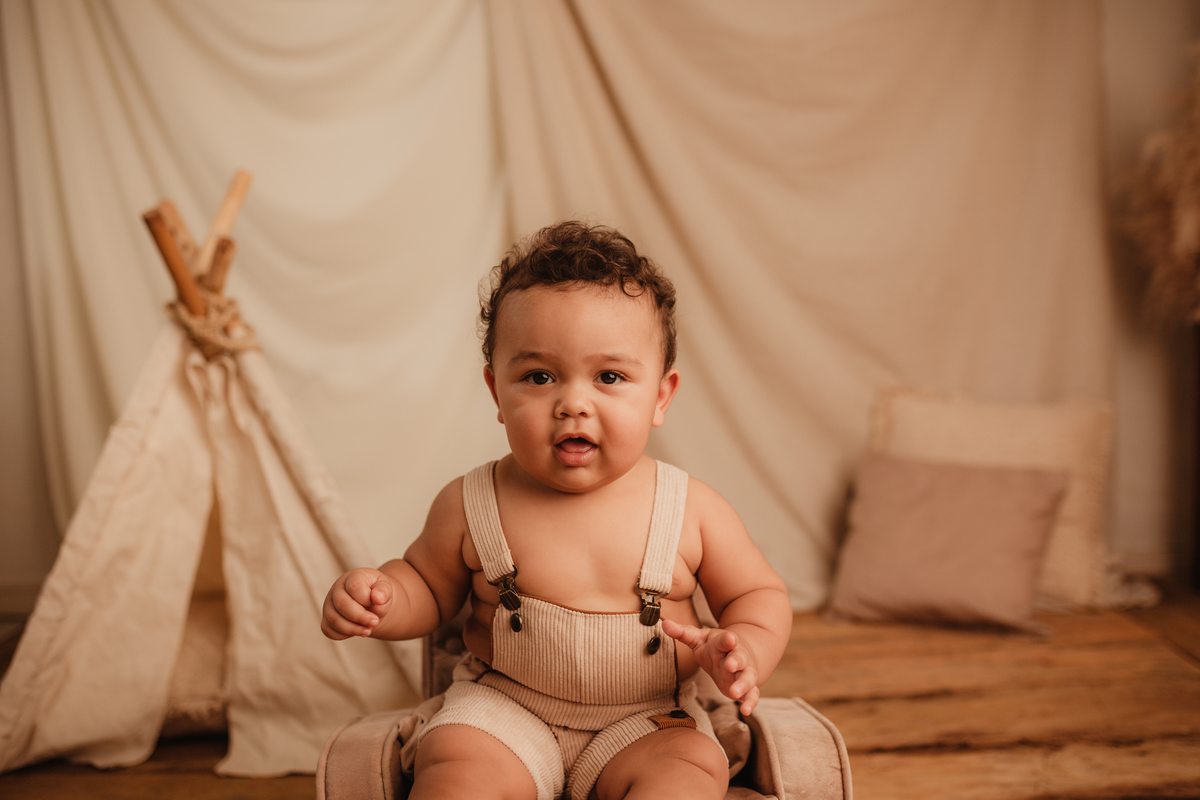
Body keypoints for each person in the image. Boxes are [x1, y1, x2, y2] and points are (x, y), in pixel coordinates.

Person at [321, 221, 793, 800]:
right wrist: (382, 598)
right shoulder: (470, 502)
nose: (573, 403)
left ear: (660, 396)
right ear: (497, 392)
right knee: (457, 771)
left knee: (688, 770)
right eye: (539, 377)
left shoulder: (691, 509)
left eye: (609, 377)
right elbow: (427, 587)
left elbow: (757, 594)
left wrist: (747, 648)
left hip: (648, 719)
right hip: (503, 709)